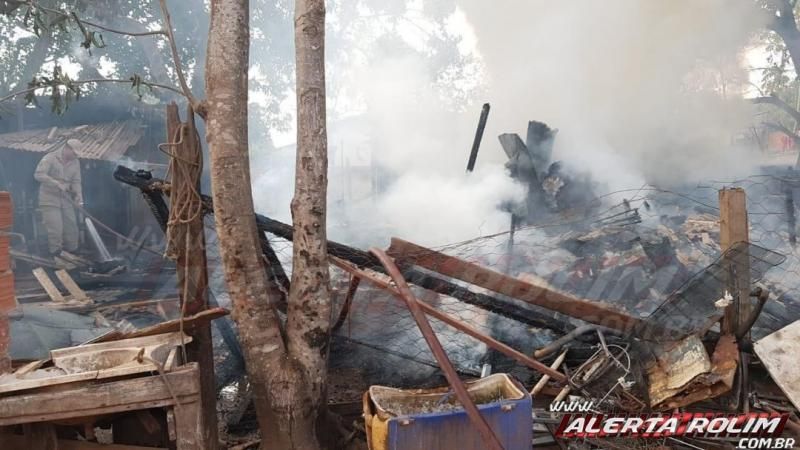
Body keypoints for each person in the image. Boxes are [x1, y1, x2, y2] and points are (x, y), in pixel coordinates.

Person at [34, 139, 83, 257]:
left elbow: (76, 181)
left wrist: (79, 195)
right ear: (67, 148)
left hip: (66, 200)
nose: (75, 156)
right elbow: (38, 175)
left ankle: (73, 255)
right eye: (74, 153)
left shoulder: (76, 162)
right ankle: (56, 256)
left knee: (72, 228)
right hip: (49, 199)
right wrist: (56, 183)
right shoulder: (50, 157)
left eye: (77, 154)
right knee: (56, 230)